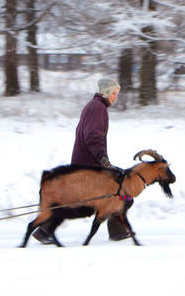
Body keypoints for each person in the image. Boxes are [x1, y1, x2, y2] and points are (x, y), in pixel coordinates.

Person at [33, 78, 132, 244]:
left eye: (117, 94)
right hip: (89, 165)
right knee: (121, 193)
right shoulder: (97, 109)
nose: (115, 97)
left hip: (85, 163)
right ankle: (117, 231)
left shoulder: (93, 106)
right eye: (114, 93)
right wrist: (102, 158)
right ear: (106, 92)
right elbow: (93, 136)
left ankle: (45, 231)